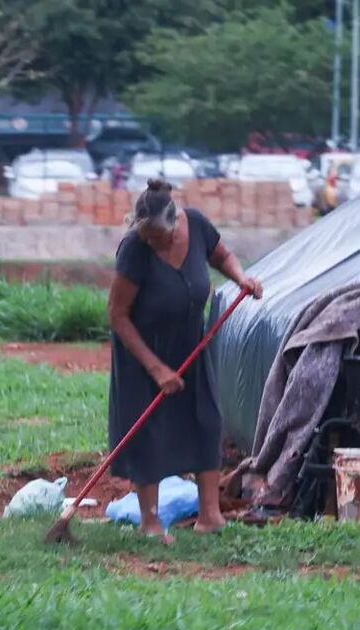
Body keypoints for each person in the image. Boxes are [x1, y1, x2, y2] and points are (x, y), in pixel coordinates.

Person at [107, 179, 263, 541]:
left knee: (206, 420)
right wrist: (156, 368)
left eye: (159, 237)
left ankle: (210, 516)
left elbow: (222, 256)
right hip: (144, 350)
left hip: (191, 343)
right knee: (149, 432)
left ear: (176, 223)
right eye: (146, 237)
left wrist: (241, 278)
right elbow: (117, 315)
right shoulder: (134, 249)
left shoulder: (197, 224)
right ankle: (150, 523)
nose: (153, 243)